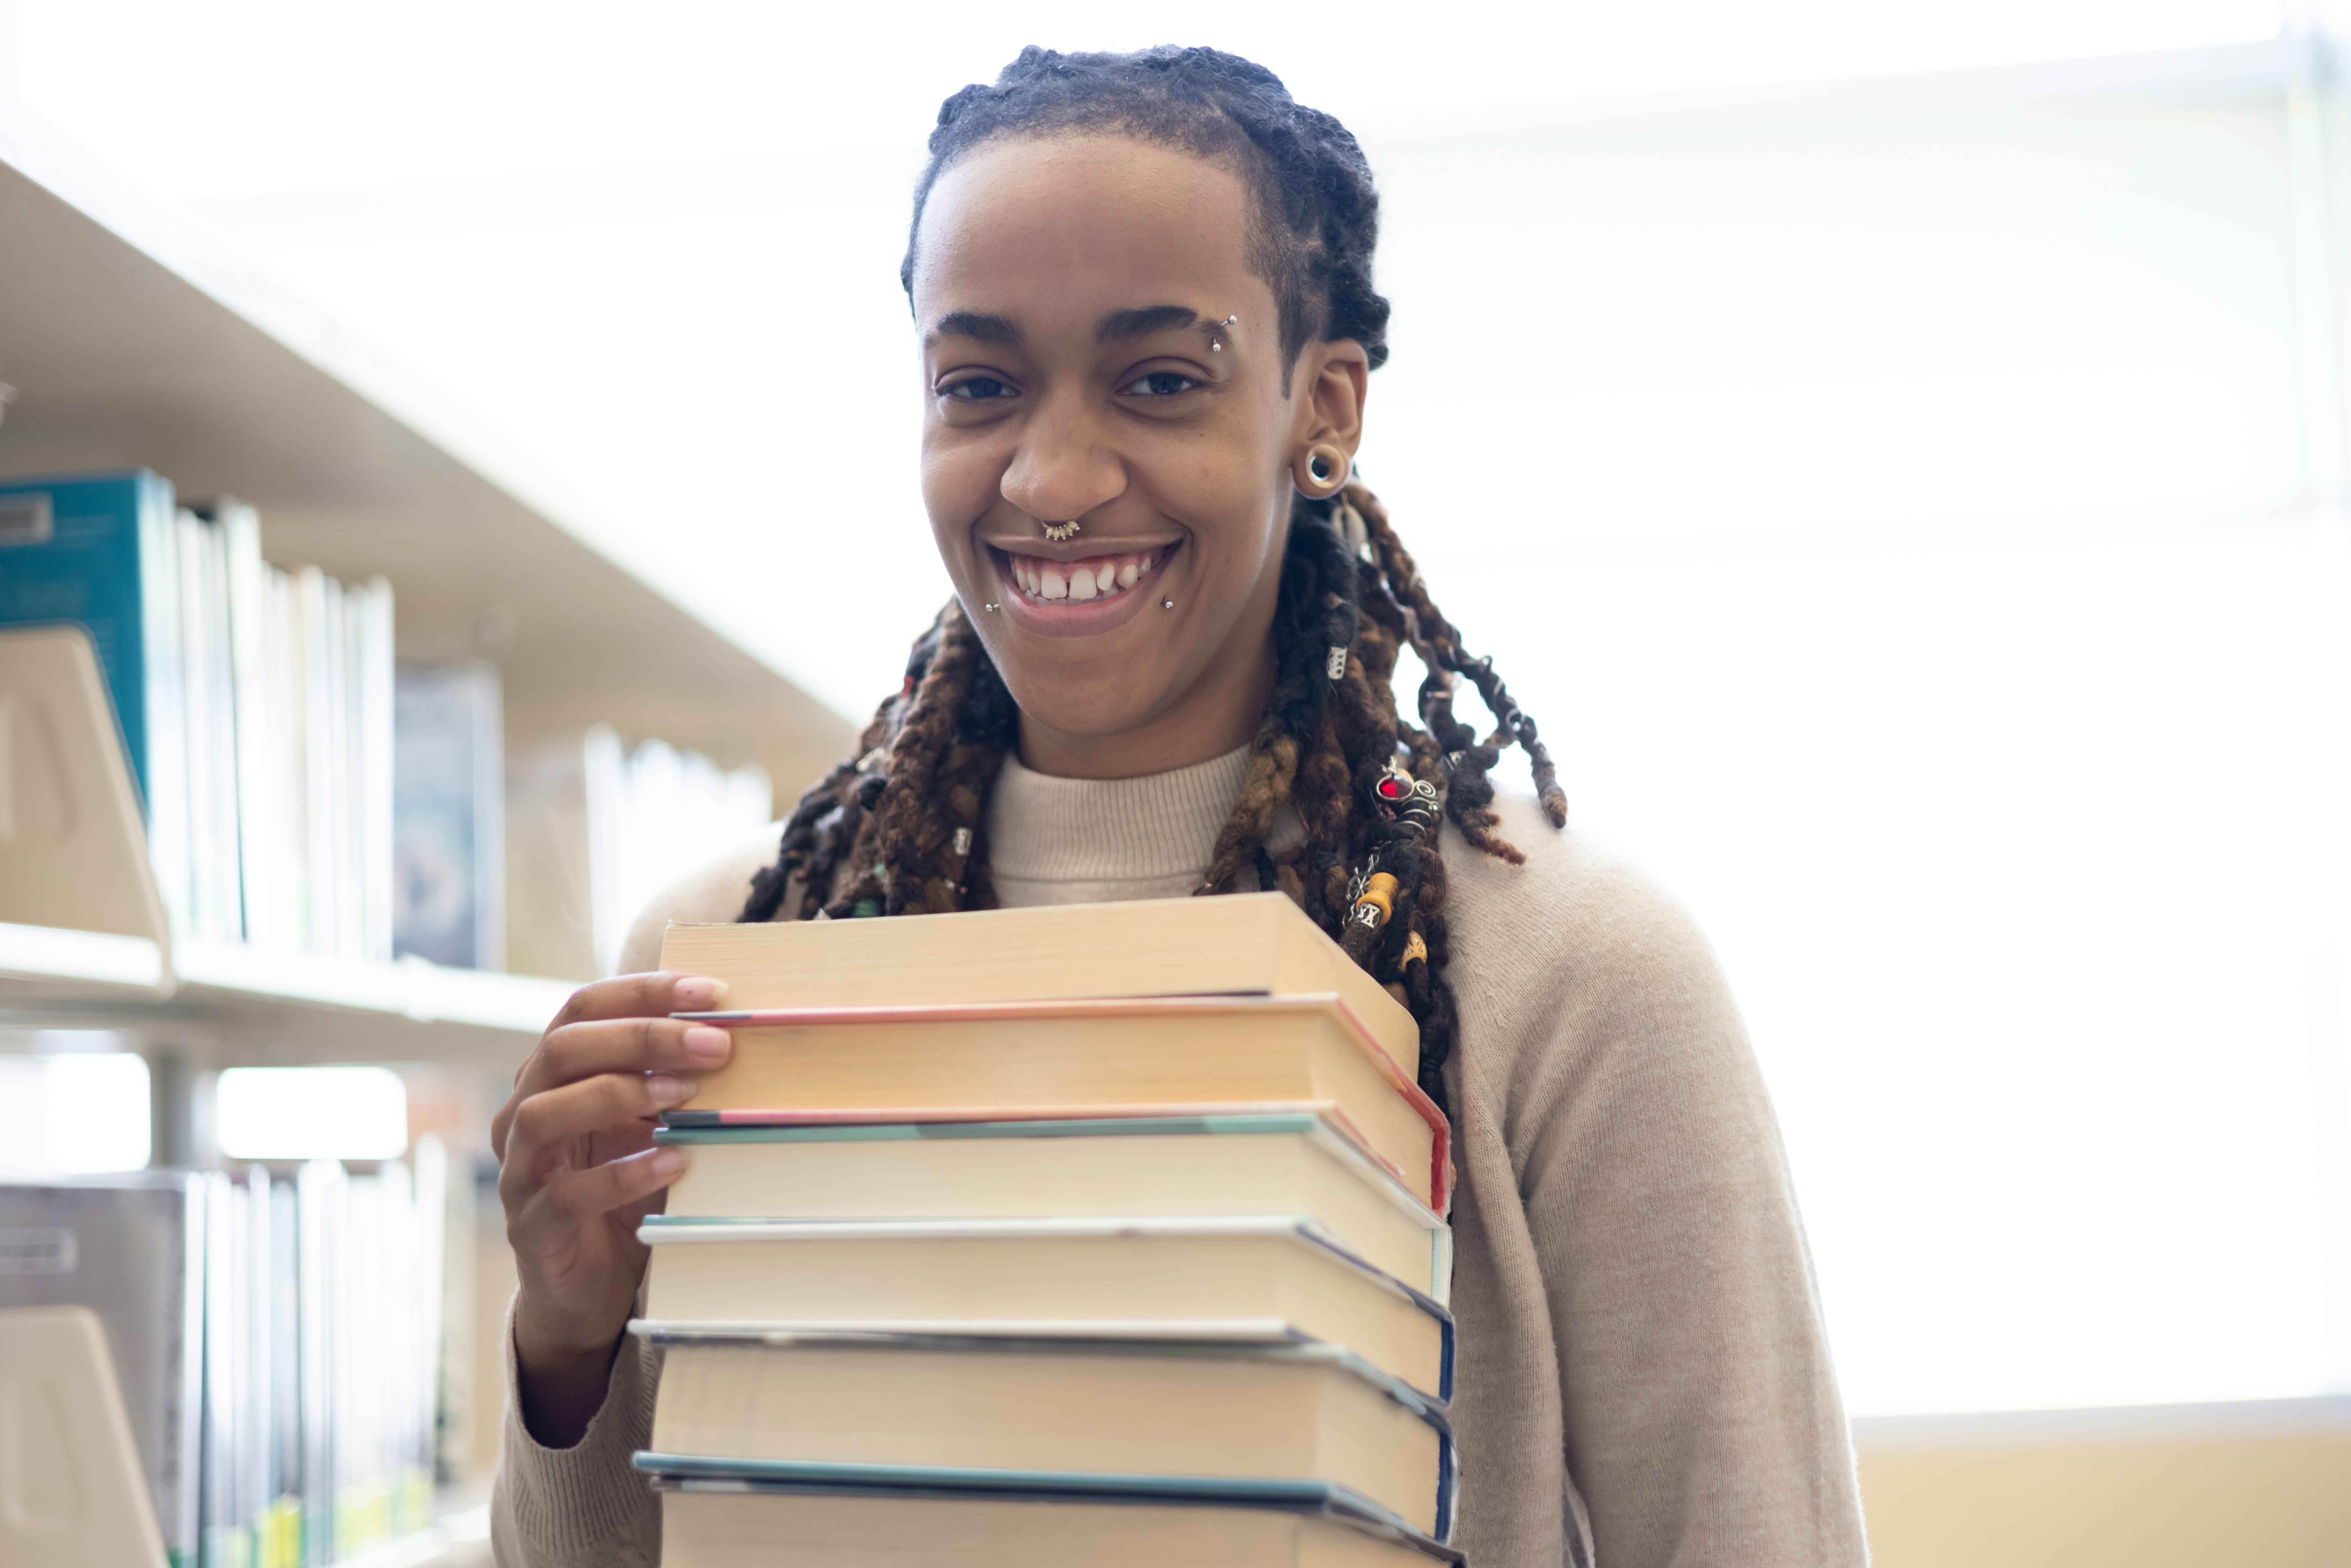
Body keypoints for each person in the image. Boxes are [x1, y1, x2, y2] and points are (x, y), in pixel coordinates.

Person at [489, 44, 1867, 1568]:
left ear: (1318, 406)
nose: (1052, 477)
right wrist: (565, 1343)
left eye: (1159, 380)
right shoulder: (725, 953)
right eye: (980, 385)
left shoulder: (1579, 970)